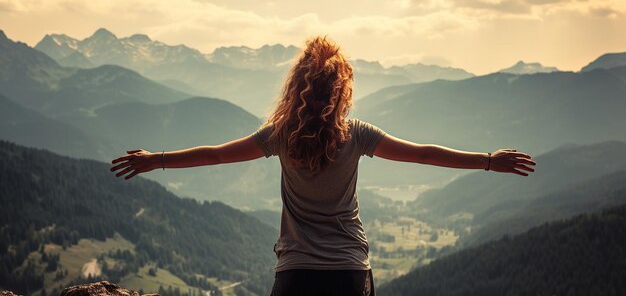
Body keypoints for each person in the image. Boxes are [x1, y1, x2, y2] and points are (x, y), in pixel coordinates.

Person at [110, 36, 536, 295]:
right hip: (350, 272)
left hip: (296, 275)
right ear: (342, 90)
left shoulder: (280, 134)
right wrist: (486, 161)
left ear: (297, 87)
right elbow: (423, 153)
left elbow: (217, 154)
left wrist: (157, 161)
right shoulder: (358, 134)